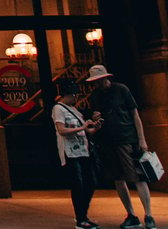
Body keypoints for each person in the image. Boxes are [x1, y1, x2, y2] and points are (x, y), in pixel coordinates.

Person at [86, 65, 157, 229]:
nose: (98, 84)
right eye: (95, 82)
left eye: (99, 80)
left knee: (138, 176)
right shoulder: (95, 96)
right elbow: (97, 120)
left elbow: (135, 115)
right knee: (118, 178)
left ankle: (149, 214)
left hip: (127, 138)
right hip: (108, 141)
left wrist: (142, 139)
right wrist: (96, 118)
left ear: (106, 78)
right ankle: (131, 214)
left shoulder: (121, 90)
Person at [52, 75, 103, 229]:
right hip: (70, 152)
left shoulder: (75, 110)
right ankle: (81, 218)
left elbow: (87, 132)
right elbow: (61, 130)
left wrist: (95, 127)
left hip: (84, 150)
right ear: (70, 94)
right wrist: (82, 127)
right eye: (75, 95)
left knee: (91, 181)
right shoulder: (58, 109)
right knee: (78, 183)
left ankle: (83, 215)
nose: (76, 97)